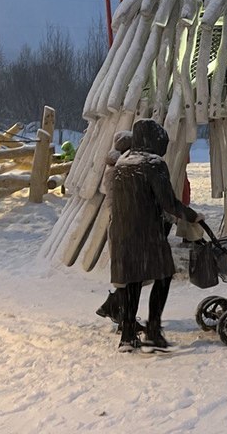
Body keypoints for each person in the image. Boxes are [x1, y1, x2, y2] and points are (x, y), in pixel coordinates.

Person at [108, 118, 202, 352]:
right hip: (147, 232)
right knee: (164, 275)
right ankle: (153, 330)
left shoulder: (122, 163)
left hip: (122, 232)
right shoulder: (152, 164)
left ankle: (128, 335)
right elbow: (168, 202)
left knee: (132, 280)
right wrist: (191, 216)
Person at [96, 130, 134, 328]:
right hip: (124, 224)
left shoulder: (113, 168)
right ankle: (117, 311)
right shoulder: (119, 170)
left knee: (127, 274)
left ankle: (116, 310)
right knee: (129, 274)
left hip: (119, 223)